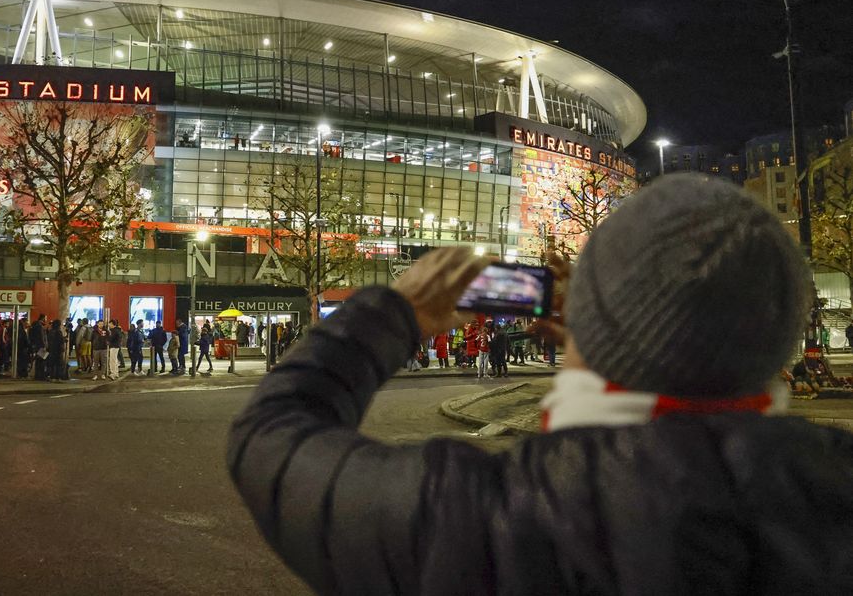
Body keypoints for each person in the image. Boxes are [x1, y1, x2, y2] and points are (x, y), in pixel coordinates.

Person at [228, 174, 853, 594]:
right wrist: (599, 340)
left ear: (591, 317)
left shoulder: (485, 516)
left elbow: (270, 439)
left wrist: (394, 313)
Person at [29, 315, 48, 381]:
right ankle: (41, 376)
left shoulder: (35, 326)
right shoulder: (40, 327)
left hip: (37, 346)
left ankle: (37, 375)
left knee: (38, 361)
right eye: (45, 318)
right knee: (42, 361)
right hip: (41, 346)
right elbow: (41, 337)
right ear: (42, 318)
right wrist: (44, 346)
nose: (46, 319)